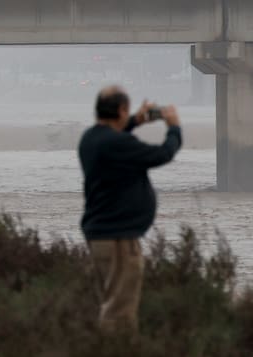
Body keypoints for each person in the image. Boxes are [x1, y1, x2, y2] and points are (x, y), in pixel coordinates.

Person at [78, 86, 182, 334]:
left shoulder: (91, 139)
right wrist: (174, 127)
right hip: (119, 240)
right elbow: (163, 154)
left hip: (100, 236)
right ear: (122, 109)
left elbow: (113, 137)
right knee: (120, 313)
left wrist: (135, 120)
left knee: (109, 302)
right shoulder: (118, 144)